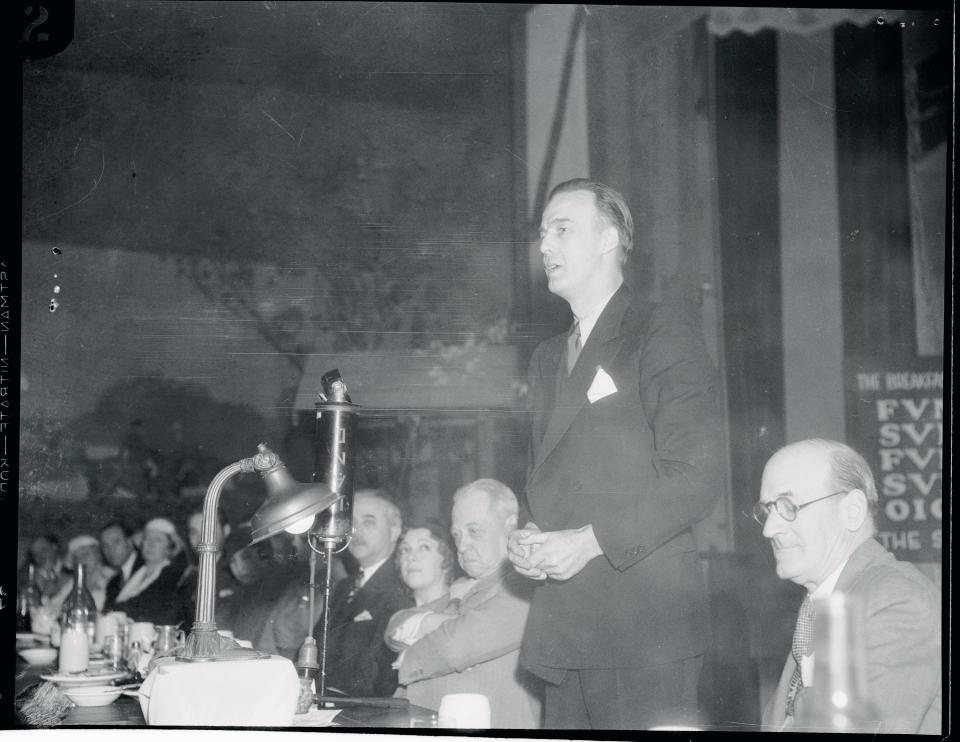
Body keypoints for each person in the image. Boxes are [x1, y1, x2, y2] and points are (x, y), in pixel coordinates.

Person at [507, 178, 723, 729]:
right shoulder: (547, 357)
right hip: (567, 628)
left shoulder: (660, 329)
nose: (545, 247)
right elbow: (545, 477)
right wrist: (528, 536)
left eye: (562, 229)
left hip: (642, 629)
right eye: (542, 234)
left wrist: (589, 541)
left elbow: (694, 478)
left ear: (609, 240)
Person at [756, 439, 941, 733]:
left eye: (788, 506)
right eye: (767, 510)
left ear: (852, 511)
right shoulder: (826, 603)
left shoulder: (897, 600)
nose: (769, 529)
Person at [389, 480, 542, 728]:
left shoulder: (525, 584)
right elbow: (396, 625)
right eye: (457, 534)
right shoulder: (462, 587)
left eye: (474, 531)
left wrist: (412, 653)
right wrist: (431, 621)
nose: (462, 545)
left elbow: (456, 646)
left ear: (511, 525)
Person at [314, 489, 412, 697]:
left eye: (368, 522)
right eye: (352, 523)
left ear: (394, 530)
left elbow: (383, 677)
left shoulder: (404, 588)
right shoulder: (343, 587)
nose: (356, 531)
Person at [113, 517, 193, 626]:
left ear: (170, 547)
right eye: (147, 539)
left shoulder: (171, 575)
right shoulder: (135, 573)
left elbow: (142, 605)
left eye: (158, 540)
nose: (150, 545)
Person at [49, 535, 116, 612]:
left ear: (98, 554)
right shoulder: (73, 583)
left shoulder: (113, 578)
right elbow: (54, 605)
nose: (81, 560)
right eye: (76, 558)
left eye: (85, 554)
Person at [100, 520, 144, 611]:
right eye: (105, 546)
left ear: (130, 542)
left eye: (116, 542)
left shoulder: (147, 568)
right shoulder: (113, 583)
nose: (110, 550)